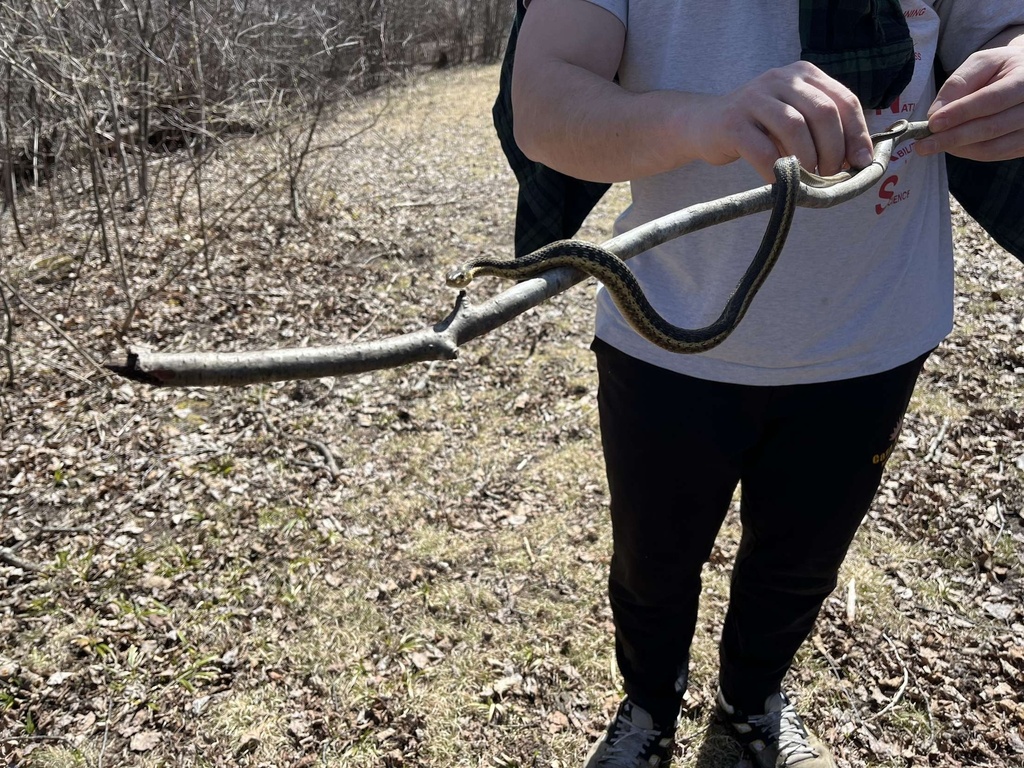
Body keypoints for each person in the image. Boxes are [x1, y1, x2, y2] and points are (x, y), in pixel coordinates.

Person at [508, 2, 1024, 767]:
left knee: (800, 565)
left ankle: (749, 705)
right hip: (662, 337)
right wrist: (707, 122)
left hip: (874, 335)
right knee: (652, 563)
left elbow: (1003, 29)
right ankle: (648, 709)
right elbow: (544, 106)